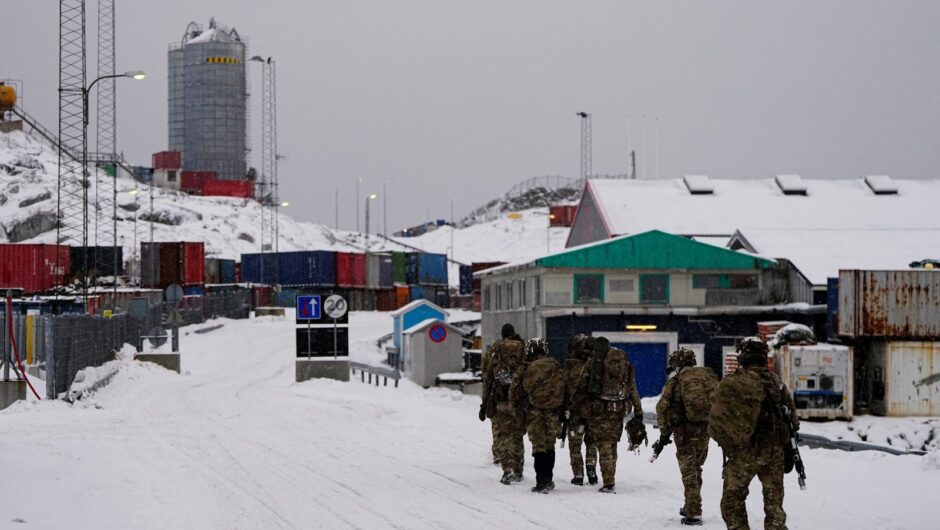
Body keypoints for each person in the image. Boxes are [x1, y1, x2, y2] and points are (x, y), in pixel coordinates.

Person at [709, 337, 800, 530]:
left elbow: (717, 420)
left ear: (742, 357)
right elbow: (792, 419)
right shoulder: (776, 382)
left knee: (732, 502)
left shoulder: (734, 382)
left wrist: (729, 442)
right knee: (774, 506)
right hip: (775, 450)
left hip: (746, 452)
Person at [652, 348, 719, 526]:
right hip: (705, 430)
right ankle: (691, 505)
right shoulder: (708, 376)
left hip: (685, 432)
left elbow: (661, 407)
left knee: (689, 472)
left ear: (677, 364)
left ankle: (694, 513)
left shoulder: (676, 381)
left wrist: (664, 431)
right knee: (696, 467)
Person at [584, 336, 646, 493]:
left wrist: (579, 406)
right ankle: (611, 475)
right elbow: (632, 389)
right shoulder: (624, 366)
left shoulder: (595, 363)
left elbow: (582, 385)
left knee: (603, 443)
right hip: (619, 409)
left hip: (600, 409)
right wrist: (638, 411)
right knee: (612, 444)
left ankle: (608, 481)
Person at [510, 338, 566, 493]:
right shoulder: (555, 365)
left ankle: (541, 481)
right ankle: (548, 479)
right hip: (552, 411)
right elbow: (563, 388)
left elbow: (514, 391)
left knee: (538, 447)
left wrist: (517, 410)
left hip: (533, 411)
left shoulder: (526, 368)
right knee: (550, 446)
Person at [481, 323, 526, 484]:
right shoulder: (523, 348)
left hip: (500, 400)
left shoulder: (495, 350)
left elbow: (487, 376)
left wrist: (484, 402)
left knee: (503, 436)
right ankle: (519, 470)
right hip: (518, 401)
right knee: (517, 436)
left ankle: (507, 470)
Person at [564, 334, 599, 485]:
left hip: (575, 412)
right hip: (593, 411)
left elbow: (564, 390)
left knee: (575, 444)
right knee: (591, 442)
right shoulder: (595, 367)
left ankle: (578, 474)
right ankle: (591, 466)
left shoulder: (571, 368)